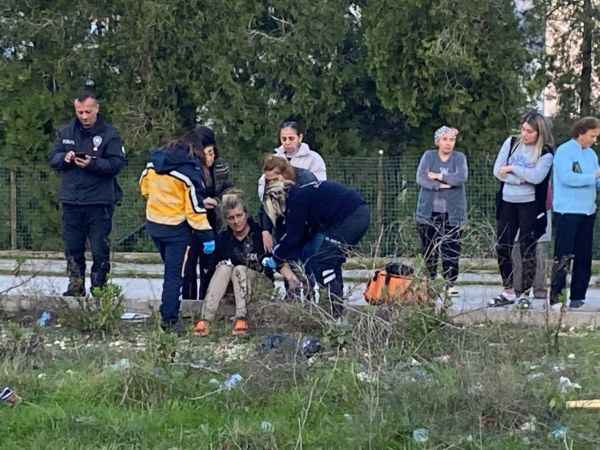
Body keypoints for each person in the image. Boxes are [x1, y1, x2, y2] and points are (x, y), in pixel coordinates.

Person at [48, 89, 126, 297]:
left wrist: (93, 163)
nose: (84, 116)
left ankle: (100, 289)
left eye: (88, 112)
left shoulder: (110, 134)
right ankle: (76, 286)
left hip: (99, 201)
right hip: (71, 200)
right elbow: (53, 158)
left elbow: (117, 163)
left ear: (96, 109)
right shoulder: (66, 132)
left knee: (100, 248)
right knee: (72, 247)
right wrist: (64, 158)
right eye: (80, 112)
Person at [139, 130, 215, 332]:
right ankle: (170, 319)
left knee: (170, 271)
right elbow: (194, 210)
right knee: (174, 275)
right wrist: (207, 236)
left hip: (154, 224)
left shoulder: (153, 164)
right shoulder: (189, 172)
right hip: (176, 230)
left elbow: (144, 188)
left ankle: (168, 311)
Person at [263, 180, 370, 318]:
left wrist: (276, 257)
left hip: (352, 216)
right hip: (357, 214)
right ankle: (335, 311)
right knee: (331, 261)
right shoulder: (303, 194)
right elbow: (302, 236)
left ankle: (334, 312)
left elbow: (293, 236)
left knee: (322, 262)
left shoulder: (297, 201)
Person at [490, 111, 554, 308]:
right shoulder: (510, 143)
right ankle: (508, 290)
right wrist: (520, 178)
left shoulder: (546, 152)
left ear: (539, 133)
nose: (524, 134)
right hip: (507, 202)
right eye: (523, 129)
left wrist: (512, 169)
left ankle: (525, 292)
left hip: (530, 206)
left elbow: (536, 178)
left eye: (529, 131)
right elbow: (497, 171)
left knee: (527, 248)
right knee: (503, 246)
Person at [193, 193, 274, 336]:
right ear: (226, 220)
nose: (236, 221)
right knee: (223, 267)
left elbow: (270, 268)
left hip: (258, 284)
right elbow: (210, 272)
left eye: (239, 215)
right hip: (230, 288)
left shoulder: (260, 235)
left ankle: (241, 318)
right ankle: (205, 319)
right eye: (231, 218)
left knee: (239, 269)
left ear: (246, 214)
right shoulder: (223, 239)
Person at [549, 116, 600, 309]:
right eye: (592, 136)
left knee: (584, 256)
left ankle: (578, 296)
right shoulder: (564, 151)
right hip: (568, 211)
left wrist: (597, 179)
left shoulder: (592, 155)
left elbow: (596, 181)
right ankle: (556, 297)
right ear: (581, 133)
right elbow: (567, 177)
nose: (594, 140)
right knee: (563, 256)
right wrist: (593, 176)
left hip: (588, 211)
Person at [415, 126, 468, 296]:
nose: (448, 143)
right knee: (429, 247)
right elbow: (421, 177)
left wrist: (438, 176)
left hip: (452, 212)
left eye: (451, 140)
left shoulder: (459, 158)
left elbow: (460, 178)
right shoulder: (429, 156)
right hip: (429, 212)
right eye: (445, 139)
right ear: (438, 141)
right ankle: (430, 280)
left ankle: (450, 282)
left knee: (451, 248)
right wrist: (440, 186)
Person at [182, 126, 233, 301]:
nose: (210, 156)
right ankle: (188, 304)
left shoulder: (220, 168)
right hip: (189, 224)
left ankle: (207, 303)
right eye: (207, 152)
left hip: (212, 223)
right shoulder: (187, 168)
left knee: (209, 266)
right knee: (188, 268)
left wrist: (218, 203)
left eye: (212, 152)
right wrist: (199, 202)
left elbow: (228, 191)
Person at [257, 119, 327, 200]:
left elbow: (321, 185)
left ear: (300, 137)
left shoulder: (314, 158)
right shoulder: (274, 159)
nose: (287, 142)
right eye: (284, 139)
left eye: (291, 138)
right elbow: (263, 184)